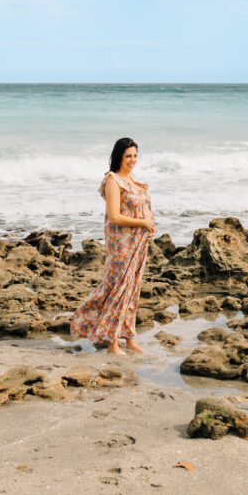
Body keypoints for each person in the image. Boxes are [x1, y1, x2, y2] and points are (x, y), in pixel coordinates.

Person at [70, 137, 155, 355]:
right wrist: (143, 222)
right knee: (117, 290)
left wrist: (148, 224)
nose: (132, 160)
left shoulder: (133, 180)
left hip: (138, 244)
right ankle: (111, 342)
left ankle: (129, 337)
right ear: (118, 156)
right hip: (121, 246)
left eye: (135, 156)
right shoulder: (113, 180)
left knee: (132, 291)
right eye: (128, 156)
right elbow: (115, 217)